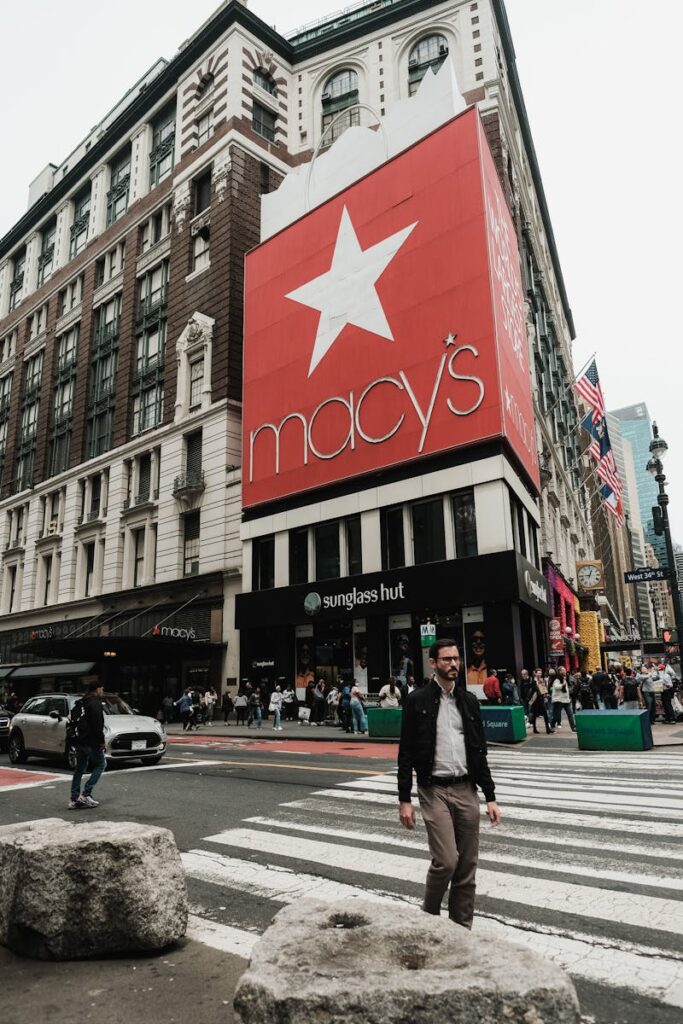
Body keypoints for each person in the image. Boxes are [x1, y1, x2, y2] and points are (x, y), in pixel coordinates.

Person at [397, 638, 500, 929]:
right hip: (434, 790)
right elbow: (405, 752)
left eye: (456, 658)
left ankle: (460, 931)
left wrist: (490, 796)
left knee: (467, 866)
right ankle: (429, 920)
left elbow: (480, 750)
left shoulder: (468, 701)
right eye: (446, 659)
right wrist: (404, 798)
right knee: (446, 861)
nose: (453, 664)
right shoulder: (417, 700)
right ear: (433, 663)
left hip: (466, 788)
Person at [69, 681, 107, 809]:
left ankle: (74, 799)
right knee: (101, 764)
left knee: (79, 769)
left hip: (79, 740)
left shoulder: (82, 702)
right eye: (102, 688)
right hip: (91, 741)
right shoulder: (95, 703)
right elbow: (98, 724)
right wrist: (101, 741)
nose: (102, 691)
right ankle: (86, 794)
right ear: (97, 689)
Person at [528, 670, 553, 734]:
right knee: (534, 714)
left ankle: (547, 729)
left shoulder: (542, 680)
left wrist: (545, 694)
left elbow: (544, 689)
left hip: (541, 699)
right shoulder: (533, 681)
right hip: (535, 699)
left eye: (541, 673)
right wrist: (538, 685)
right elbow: (534, 688)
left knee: (545, 713)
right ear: (535, 674)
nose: (540, 674)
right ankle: (534, 729)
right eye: (538, 673)